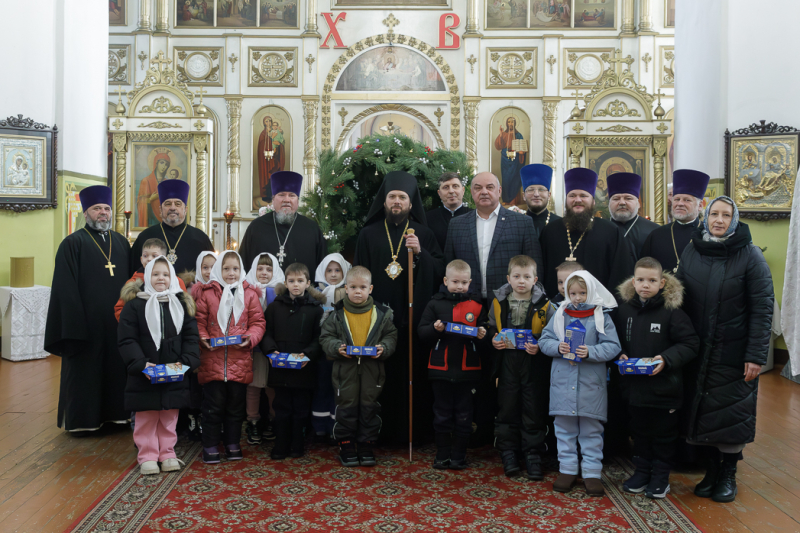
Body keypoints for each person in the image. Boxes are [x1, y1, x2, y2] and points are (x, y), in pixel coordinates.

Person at [676, 196, 774, 503]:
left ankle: (728, 473)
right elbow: (679, 296)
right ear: (706, 217)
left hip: (733, 352)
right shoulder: (694, 249)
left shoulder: (751, 255)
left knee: (732, 413)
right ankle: (711, 472)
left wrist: (756, 356)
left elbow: (762, 309)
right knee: (702, 411)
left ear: (735, 219)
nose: (719, 220)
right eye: (714, 214)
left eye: (726, 215)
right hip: (698, 348)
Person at [444, 172, 543, 445]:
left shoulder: (521, 223)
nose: (483, 192)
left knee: (507, 370)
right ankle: (482, 429)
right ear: (471, 193)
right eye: (477, 188)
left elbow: (535, 266)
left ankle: (511, 433)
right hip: (470, 306)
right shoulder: (457, 224)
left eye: (489, 187)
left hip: (511, 307)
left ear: (500, 190)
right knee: (477, 368)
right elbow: (450, 266)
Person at [353, 171, 445, 445]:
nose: (396, 202)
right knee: (380, 377)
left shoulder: (424, 234)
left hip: (412, 320)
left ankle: (412, 433)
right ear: (383, 201)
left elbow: (440, 271)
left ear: (410, 203)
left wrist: (421, 254)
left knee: (411, 375)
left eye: (402, 197)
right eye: (392, 196)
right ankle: (379, 434)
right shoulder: (368, 234)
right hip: (377, 319)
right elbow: (358, 273)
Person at [45, 185, 132, 434]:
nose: (103, 213)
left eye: (106, 208)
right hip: (86, 326)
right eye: (97, 209)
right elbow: (65, 289)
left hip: (117, 323)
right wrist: (75, 324)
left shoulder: (121, 242)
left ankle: (118, 417)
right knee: (87, 374)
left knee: (116, 370)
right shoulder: (72, 244)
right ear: (86, 213)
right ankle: (84, 422)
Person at [614, 257, 699, 499]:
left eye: (652, 280)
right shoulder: (624, 310)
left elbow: (691, 343)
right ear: (633, 281)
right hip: (634, 389)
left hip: (665, 391)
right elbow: (615, 341)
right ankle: (641, 472)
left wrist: (665, 359)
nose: (645, 285)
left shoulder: (673, 312)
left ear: (662, 283)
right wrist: (618, 353)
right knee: (639, 433)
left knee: (663, 435)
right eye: (640, 280)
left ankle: (661, 477)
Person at [538, 271, 621, 497]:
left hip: (589, 386)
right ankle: (567, 469)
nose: (577, 298)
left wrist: (590, 351)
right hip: (563, 384)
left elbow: (613, 346)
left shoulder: (601, 316)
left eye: (582, 293)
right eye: (572, 293)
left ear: (591, 292)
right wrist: (558, 347)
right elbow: (544, 341)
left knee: (591, 430)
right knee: (564, 429)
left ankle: (592, 472)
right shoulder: (560, 314)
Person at [117, 257, 201, 475]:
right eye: (155, 274)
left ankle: (167, 452)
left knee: (169, 414)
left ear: (172, 277)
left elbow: (191, 337)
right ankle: (147, 455)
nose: (161, 278)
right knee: (146, 414)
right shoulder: (135, 305)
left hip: (174, 371)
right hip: (145, 371)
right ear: (147, 277)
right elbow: (127, 339)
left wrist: (186, 362)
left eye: (165, 274)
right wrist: (141, 364)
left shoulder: (181, 304)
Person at [320, 266, 398, 466]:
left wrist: (384, 347)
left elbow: (391, 336)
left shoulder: (382, 313)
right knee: (346, 407)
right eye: (353, 287)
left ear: (370, 289)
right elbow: (326, 337)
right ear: (346, 288)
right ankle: (346, 445)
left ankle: (366, 445)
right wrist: (337, 347)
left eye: (362, 287)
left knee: (369, 407)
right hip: (345, 371)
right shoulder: (336, 313)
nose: (357, 291)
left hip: (373, 371)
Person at [195, 250, 266, 464]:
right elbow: (198, 321)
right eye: (226, 268)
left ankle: (233, 443)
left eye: (235, 268)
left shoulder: (250, 294)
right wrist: (204, 338)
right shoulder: (207, 293)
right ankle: (210, 445)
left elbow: (258, 322)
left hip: (240, 361)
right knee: (212, 408)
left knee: (236, 409)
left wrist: (250, 338)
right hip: (212, 362)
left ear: (241, 270)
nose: (231, 273)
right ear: (218, 269)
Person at [418, 260, 488, 470]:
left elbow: (485, 333)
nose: (459, 286)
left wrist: (483, 334)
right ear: (445, 281)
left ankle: (459, 455)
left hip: (468, 371)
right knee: (441, 414)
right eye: (455, 281)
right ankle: (442, 454)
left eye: (464, 282)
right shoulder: (434, 304)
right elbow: (422, 332)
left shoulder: (476, 306)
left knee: (464, 415)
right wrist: (434, 328)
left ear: (470, 282)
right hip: (441, 369)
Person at [487, 255, 550, 479]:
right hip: (507, 362)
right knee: (507, 406)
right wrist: (494, 340)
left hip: (532, 363)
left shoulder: (545, 304)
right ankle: (508, 453)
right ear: (508, 278)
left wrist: (540, 346)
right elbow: (492, 328)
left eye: (526, 277)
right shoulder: (498, 301)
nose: (521, 281)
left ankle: (533, 455)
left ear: (535, 279)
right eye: (516, 276)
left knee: (532, 408)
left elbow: (551, 334)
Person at [260, 263, 325, 459]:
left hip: (303, 369)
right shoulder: (274, 307)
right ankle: (281, 444)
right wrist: (271, 352)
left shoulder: (315, 310)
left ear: (308, 283)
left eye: (300, 281)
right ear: (285, 283)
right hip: (280, 369)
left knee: (300, 409)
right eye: (291, 281)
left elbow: (318, 338)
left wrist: (306, 354)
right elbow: (266, 333)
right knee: (281, 408)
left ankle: (297, 444)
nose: (295, 285)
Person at [539, 167, 633, 299]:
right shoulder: (550, 231)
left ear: (593, 201)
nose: (577, 200)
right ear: (566, 200)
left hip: (598, 309)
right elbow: (541, 272)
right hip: (555, 308)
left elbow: (620, 274)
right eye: (572, 195)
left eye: (583, 195)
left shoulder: (610, 231)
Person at [239, 171, 327, 275]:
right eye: (281, 195)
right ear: (273, 200)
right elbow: (242, 265)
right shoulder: (256, 227)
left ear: (297, 201)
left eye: (292, 195)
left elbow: (323, 268)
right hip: (263, 291)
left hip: (303, 291)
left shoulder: (311, 229)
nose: (287, 200)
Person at [130, 179, 214, 277]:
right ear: (160, 210)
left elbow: (211, 274)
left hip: (190, 292)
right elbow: (134, 273)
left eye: (178, 204)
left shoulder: (200, 238)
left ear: (185, 210)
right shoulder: (145, 237)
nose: (173, 208)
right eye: (168, 204)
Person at [243, 253, 284, 445]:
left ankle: (273, 421)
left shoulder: (281, 291)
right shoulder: (246, 289)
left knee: (271, 386)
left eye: (269, 269)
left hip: (275, 348)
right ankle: (253, 421)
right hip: (253, 348)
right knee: (254, 385)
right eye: (260, 268)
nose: (264, 273)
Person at [312, 253, 352, 442]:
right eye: (329, 270)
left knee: (338, 388)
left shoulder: (349, 292)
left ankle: (335, 426)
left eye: (338, 270)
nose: (334, 274)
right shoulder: (316, 293)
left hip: (341, 350)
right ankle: (319, 426)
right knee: (322, 386)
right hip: (321, 350)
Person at [640, 170, 710, 274]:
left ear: (700, 206)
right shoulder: (656, 235)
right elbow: (644, 270)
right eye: (676, 199)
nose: (680, 204)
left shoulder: (709, 235)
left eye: (687, 200)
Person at [115, 239, 187, 321]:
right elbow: (120, 309)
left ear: (164, 259)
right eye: (145, 256)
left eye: (154, 256)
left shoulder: (176, 281)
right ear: (141, 259)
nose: (149, 259)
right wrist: (132, 325)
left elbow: (185, 307)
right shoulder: (132, 283)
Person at [607, 173, 659, 261]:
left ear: (638, 204)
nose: (622, 203)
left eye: (628, 198)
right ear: (609, 204)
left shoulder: (655, 231)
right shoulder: (599, 229)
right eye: (616, 199)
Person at [426, 172, 470, 251]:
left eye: (455, 186)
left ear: (463, 190)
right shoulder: (428, 218)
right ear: (439, 193)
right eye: (446, 187)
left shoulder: (474, 216)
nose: (451, 191)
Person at [521, 164, 561, 236]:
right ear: (524, 196)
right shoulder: (516, 224)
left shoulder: (561, 224)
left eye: (541, 190)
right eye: (531, 190)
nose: (536, 194)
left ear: (549, 195)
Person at [494, 117, 526, 204]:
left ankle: (514, 200)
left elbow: (523, 149)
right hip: (505, 159)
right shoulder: (503, 134)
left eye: (512, 122)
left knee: (514, 178)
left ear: (515, 123)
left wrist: (522, 153)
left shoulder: (519, 135)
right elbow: (498, 146)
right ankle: (506, 200)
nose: (510, 124)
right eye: (509, 122)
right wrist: (500, 134)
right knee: (506, 179)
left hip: (515, 160)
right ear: (506, 123)